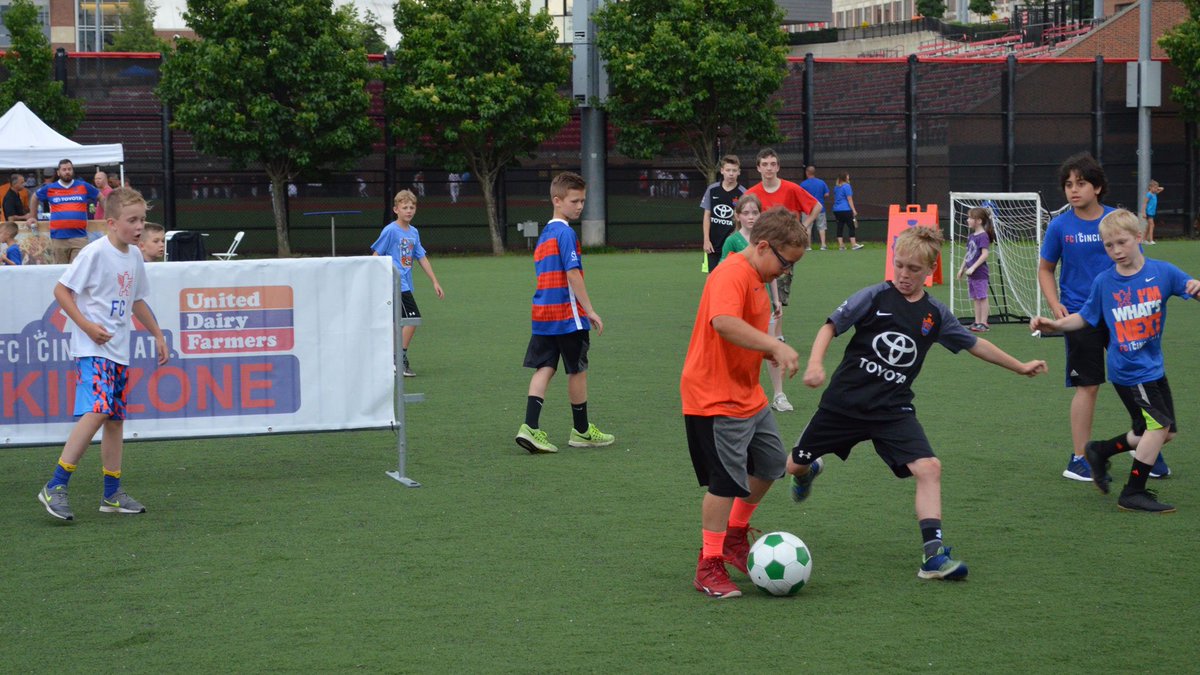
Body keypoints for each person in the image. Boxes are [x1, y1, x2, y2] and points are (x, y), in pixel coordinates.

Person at [786, 227, 1046, 580]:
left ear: (930, 270)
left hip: (892, 410)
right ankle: (809, 470)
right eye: (899, 265)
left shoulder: (934, 314)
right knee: (793, 466)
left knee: (929, 468)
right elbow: (830, 326)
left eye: (914, 269)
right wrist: (816, 364)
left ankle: (933, 557)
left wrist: (1019, 366)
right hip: (843, 405)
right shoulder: (874, 297)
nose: (904, 275)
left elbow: (974, 344)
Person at [1031, 209, 1200, 512]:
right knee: (1159, 427)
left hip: (1154, 367)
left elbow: (1191, 287)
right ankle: (1133, 492)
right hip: (1130, 371)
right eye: (1109, 245)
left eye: (1122, 242)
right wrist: (1056, 325)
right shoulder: (1104, 282)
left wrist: (1196, 288)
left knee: (1166, 432)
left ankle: (1101, 450)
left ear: (1139, 237)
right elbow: (1085, 317)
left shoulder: (1163, 272)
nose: (1116, 250)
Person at [683, 205, 807, 599]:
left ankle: (734, 537)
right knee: (724, 483)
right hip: (714, 396)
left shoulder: (758, 277)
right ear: (764, 246)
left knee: (770, 464)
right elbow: (723, 322)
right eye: (785, 263)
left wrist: (765, 350)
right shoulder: (731, 273)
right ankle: (708, 564)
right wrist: (774, 344)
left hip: (747, 394)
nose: (785, 271)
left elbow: (743, 332)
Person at [36, 187, 170, 522]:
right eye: (132, 220)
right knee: (98, 410)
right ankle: (55, 485)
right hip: (92, 348)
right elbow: (61, 291)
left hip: (119, 350)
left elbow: (136, 300)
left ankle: (112, 494)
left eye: (142, 220)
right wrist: (86, 326)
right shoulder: (95, 253)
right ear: (111, 223)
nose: (139, 227)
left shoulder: (134, 256)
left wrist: (157, 334)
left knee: (114, 419)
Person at [1035, 153, 1169, 481]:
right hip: (1081, 315)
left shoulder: (1116, 221)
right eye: (1068, 184)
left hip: (1122, 315)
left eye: (1081, 183)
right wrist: (1055, 305)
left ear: (1097, 187)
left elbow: (1138, 265)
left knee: (1136, 380)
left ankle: (1147, 445)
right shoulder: (1060, 226)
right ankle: (1079, 458)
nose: (1073, 189)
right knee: (1088, 386)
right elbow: (1046, 269)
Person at [514, 172, 614, 454]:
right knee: (577, 369)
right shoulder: (566, 233)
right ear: (557, 201)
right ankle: (581, 431)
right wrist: (589, 310)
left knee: (545, 367)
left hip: (542, 314)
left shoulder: (545, 234)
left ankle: (529, 427)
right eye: (574, 201)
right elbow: (572, 273)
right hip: (567, 316)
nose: (580, 206)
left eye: (582, 200)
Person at [720, 195, 793, 413]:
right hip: (742, 305)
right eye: (746, 213)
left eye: (755, 212)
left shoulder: (765, 240)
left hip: (763, 303)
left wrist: (776, 300)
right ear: (737, 216)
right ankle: (737, 393)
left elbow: (771, 273)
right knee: (741, 350)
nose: (751, 217)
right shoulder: (733, 241)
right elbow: (725, 272)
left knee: (771, 345)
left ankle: (779, 394)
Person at [371, 190, 444, 378]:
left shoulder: (414, 232)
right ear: (396, 209)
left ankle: (392, 360)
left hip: (405, 283)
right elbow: (376, 255)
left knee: (398, 322)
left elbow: (421, 257)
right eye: (405, 207)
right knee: (412, 319)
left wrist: (434, 281)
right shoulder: (390, 230)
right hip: (395, 283)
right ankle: (399, 359)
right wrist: (377, 280)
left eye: (412, 207)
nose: (409, 210)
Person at [746, 149, 821, 315]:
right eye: (765, 164)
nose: (769, 168)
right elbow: (742, 216)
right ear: (758, 167)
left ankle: (776, 328)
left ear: (778, 167)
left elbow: (817, 206)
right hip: (760, 250)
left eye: (773, 164)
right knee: (756, 291)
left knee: (778, 297)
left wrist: (804, 225)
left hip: (783, 251)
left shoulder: (791, 189)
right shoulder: (751, 194)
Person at [27, 159, 102, 265]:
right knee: (60, 271)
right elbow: (35, 197)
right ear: (58, 173)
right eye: (64, 169)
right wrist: (32, 217)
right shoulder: (50, 188)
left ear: (73, 171)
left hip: (79, 237)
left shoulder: (83, 186)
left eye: (69, 169)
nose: (67, 172)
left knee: (78, 270)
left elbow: (101, 197)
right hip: (58, 238)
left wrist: (108, 215)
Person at [700, 155, 746, 273]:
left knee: (732, 276)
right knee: (712, 277)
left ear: (739, 172)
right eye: (728, 170)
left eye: (734, 170)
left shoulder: (743, 193)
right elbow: (707, 215)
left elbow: (745, 220)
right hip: (713, 245)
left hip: (733, 245)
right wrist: (706, 240)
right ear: (722, 171)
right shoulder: (712, 189)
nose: (731, 174)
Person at [956, 207, 994, 332]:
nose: (968, 220)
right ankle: (977, 322)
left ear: (978, 221)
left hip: (980, 273)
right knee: (976, 298)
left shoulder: (983, 236)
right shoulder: (972, 236)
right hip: (971, 275)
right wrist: (962, 268)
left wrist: (973, 267)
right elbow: (968, 254)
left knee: (982, 297)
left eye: (970, 218)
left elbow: (985, 254)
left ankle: (984, 323)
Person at [799, 165, 830, 250]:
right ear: (814, 172)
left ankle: (808, 246)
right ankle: (823, 245)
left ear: (807, 173)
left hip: (807, 209)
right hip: (820, 208)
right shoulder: (821, 182)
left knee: (807, 227)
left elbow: (800, 195)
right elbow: (826, 194)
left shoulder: (803, 184)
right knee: (821, 227)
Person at [832, 172, 863, 250]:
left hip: (836, 210)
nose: (849, 177)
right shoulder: (847, 186)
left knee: (840, 227)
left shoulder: (836, 187)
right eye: (848, 176)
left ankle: (841, 246)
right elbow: (849, 199)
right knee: (851, 226)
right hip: (846, 209)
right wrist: (854, 210)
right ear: (845, 178)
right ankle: (854, 244)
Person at [1141, 179, 1163, 245]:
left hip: (1152, 212)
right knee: (1152, 225)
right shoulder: (1149, 194)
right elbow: (1144, 203)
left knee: (1148, 226)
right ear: (1150, 187)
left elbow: (1162, 188)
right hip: (1148, 212)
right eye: (1154, 188)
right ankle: (1151, 240)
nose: (1156, 189)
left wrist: (1156, 188)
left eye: (1156, 188)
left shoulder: (1155, 193)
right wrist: (1143, 212)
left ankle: (1144, 240)